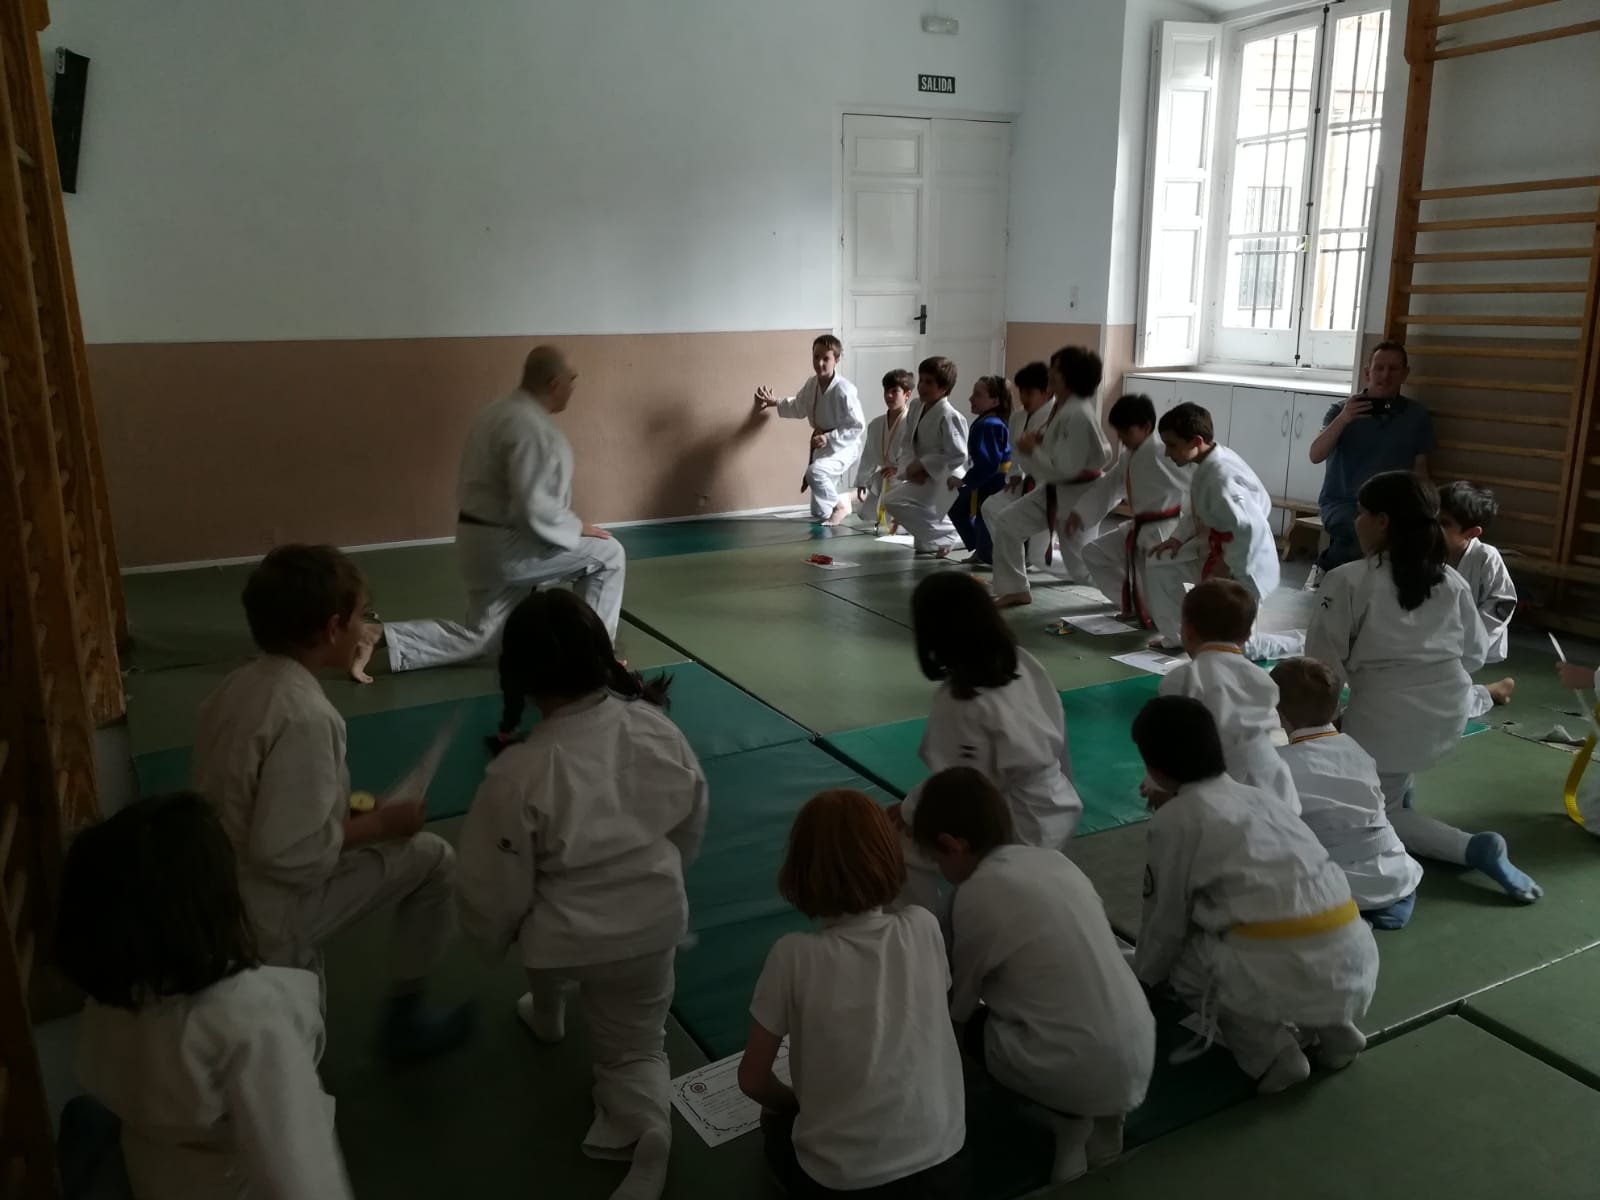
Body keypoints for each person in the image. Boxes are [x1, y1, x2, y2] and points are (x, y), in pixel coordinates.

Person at [457, 590, 706, 1200]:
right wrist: (665, 875)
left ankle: (547, 1013)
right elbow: (689, 822)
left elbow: (494, 887)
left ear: (520, 677)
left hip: (564, 942)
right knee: (636, 1049)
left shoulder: (518, 772)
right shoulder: (656, 730)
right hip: (651, 927)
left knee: (531, 913)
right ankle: (647, 1125)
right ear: (602, 655)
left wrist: (492, 935)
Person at [191, 544, 473, 1060]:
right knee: (434, 859)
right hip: (268, 912)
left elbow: (258, 802)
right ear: (332, 629)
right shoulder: (306, 716)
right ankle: (405, 1024)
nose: (365, 628)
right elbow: (288, 853)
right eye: (362, 616)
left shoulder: (239, 687)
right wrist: (383, 825)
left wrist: (355, 810)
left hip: (213, 888)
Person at [58, 792, 353, 1200]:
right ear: (214, 905)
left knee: (86, 1118)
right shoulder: (250, 1021)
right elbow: (303, 1182)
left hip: (156, 1175)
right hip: (230, 1185)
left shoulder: (111, 996)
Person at [1305, 471, 1541, 903]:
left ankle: (1473, 848)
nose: (1356, 522)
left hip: (1386, 721)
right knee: (1393, 758)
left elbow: (1322, 669)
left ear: (1382, 521)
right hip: (1448, 712)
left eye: (1361, 513)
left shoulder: (1347, 580)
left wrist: (1323, 724)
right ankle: (1398, 791)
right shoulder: (1450, 580)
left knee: (1375, 816)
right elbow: (1474, 654)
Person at [910, 768, 1154, 1184]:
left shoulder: (975, 893)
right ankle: (1106, 1120)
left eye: (937, 858)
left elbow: (960, 1005)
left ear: (953, 845)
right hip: (1138, 1050)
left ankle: (1067, 1119)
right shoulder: (1054, 861)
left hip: (1071, 1066)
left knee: (969, 1031)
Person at [1131, 696, 1379, 1094]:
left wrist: (1143, 981)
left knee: (1184, 961)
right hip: (1353, 957)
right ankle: (1337, 1032)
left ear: (1155, 769)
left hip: (1280, 974)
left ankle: (1274, 1057)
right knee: (1284, 932)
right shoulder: (1262, 799)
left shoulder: (1174, 821)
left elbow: (1166, 922)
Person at [738, 789, 967, 1198]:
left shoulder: (793, 955)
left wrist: (794, 1104)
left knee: (774, 1121)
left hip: (840, 1179)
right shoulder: (923, 926)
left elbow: (753, 1080)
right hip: (943, 1162)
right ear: (890, 859)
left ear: (798, 870)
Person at [374, 345, 627, 675]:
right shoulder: (532, 429)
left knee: (483, 639)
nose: (574, 387)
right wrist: (576, 526)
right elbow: (533, 508)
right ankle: (593, 657)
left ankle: (380, 636)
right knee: (609, 554)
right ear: (555, 383)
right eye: (572, 379)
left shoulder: (496, 412)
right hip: (507, 550)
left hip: (478, 544)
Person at [1271, 657, 1423, 930]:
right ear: (1336, 706)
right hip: (1394, 870)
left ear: (1278, 713)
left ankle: (1356, 915)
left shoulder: (1279, 764)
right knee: (1396, 874)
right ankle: (1390, 904)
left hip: (1336, 883)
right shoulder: (1355, 749)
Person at [1145, 402, 1304, 659]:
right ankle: (1177, 635)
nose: (1167, 453)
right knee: (1159, 563)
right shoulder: (1208, 461)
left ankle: (1302, 642)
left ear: (1196, 441)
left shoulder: (1220, 477)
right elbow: (1199, 509)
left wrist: (1225, 567)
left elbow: (1249, 528)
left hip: (1246, 562)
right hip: (1217, 548)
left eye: (1172, 445)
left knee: (1239, 646)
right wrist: (1176, 539)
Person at [985, 346, 1114, 607]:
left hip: (1078, 495)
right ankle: (1015, 589)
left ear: (1069, 377)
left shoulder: (1077, 413)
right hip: (1055, 490)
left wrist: (1033, 449)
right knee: (1008, 523)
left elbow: (1066, 469)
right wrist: (1035, 447)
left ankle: (1135, 596)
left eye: (1055, 370)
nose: (1050, 374)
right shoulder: (1064, 409)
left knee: (1081, 569)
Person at [1158, 580, 1299, 811]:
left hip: (1218, 792)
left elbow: (1167, 746)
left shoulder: (1183, 678)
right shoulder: (1261, 677)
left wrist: (1159, 786)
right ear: (1247, 636)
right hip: (1275, 785)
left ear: (1187, 630)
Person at [1308, 341, 1435, 586]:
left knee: (1407, 541)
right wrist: (1344, 419)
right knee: (1364, 533)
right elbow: (1315, 455)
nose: (1385, 375)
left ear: (1405, 374)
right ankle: (1328, 569)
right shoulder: (1340, 410)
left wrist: (1428, 509)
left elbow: (1421, 467)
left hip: (1394, 507)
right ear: (1368, 372)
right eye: (1379, 368)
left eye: (1393, 369)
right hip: (1343, 503)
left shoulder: (1416, 416)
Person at [1070, 394, 1191, 627]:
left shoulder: (1163, 453)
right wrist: (1081, 511)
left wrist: (1195, 528)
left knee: (1160, 589)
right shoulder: (1129, 456)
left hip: (1162, 532)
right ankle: (1136, 605)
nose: (1122, 438)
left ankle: (1179, 623)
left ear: (1146, 427)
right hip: (1139, 527)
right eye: (1119, 432)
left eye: (1126, 432)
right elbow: (1110, 484)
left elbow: (1195, 483)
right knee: (1094, 554)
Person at [755, 334, 866, 526]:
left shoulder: (844, 389)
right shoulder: (812, 384)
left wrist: (829, 438)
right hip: (822, 444)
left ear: (836, 359)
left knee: (815, 472)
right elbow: (799, 406)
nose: (820, 363)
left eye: (826, 358)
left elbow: (857, 425)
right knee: (820, 511)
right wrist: (775, 402)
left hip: (844, 445)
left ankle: (843, 504)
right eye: (816, 357)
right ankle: (846, 500)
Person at [1439, 480, 1517, 717]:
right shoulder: (1425, 551)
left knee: (1440, 700)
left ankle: (1489, 692)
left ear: (1472, 532)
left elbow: (1501, 603)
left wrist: (1474, 638)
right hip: (1433, 634)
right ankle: (1493, 690)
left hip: (1471, 637)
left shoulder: (1485, 556)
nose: (1433, 529)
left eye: (1444, 523)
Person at [882, 357, 970, 556]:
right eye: (921, 380)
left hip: (945, 479)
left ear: (944, 388)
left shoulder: (949, 415)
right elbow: (907, 442)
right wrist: (909, 470)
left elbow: (958, 455)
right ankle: (948, 535)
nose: (922, 386)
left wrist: (923, 465)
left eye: (929, 382)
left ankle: (954, 534)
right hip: (923, 474)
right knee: (921, 545)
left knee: (893, 500)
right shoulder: (915, 406)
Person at [949, 375, 1014, 566]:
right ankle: (981, 549)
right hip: (990, 479)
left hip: (995, 481)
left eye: (977, 395)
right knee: (964, 511)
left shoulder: (989, 425)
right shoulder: (990, 422)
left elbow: (988, 463)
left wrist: (964, 481)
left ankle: (988, 553)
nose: (971, 398)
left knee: (978, 515)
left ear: (995, 401)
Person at [1007, 361, 1057, 569]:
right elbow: (1014, 450)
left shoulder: (1057, 417)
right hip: (1026, 480)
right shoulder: (1017, 416)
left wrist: (1034, 449)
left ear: (1047, 392)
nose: (1023, 398)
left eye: (1029, 393)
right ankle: (1014, 560)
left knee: (1040, 555)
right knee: (992, 508)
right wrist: (1015, 472)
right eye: (1021, 392)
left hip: (1052, 484)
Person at [855, 369, 913, 531]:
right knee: (879, 522)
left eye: (895, 391)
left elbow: (917, 454)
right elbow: (868, 455)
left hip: (905, 480)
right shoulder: (876, 424)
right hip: (885, 477)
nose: (889, 395)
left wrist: (900, 470)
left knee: (902, 526)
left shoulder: (913, 423)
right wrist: (862, 480)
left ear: (907, 394)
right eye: (886, 391)